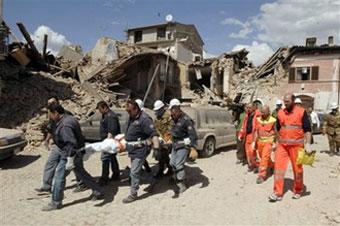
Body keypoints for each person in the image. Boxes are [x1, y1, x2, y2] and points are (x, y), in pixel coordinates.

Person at [42, 104, 104, 211]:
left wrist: (70, 160)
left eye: (50, 114)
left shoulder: (65, 125)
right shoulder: (69, 118)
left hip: (69, 154)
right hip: (75, 152)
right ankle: (98, 191)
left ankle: (55, 202)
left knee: (59, 177)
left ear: (56, 113)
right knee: (81, 173)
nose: (49, 117)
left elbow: (71, 143)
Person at [35, 97, 86, 193]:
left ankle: (82, 183)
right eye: (49, 103)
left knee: (74, 166)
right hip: (58, 145)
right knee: (50, 163)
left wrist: (73, 148)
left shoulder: (66, 115)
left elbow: (72, 131)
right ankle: (46, 186)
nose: (50, 104)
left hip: (68, 144)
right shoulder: (51, 115)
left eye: (53, 102)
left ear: (57, 103)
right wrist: (47, 140)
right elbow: (51, 129)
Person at [269, 93, 312, 202]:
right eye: (284, 101)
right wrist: (276, 142)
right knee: (278, 169)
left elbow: (307, 129)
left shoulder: (301, 112)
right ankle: (277, 192)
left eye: (287, 101)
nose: (285, 103)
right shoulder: (280, 113)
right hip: (282, 146)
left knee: (297, 169)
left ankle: (298, 189)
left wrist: (308, 144)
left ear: (293, 101)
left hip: (297, 146)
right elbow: (277, 128)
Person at [122, 99, 160, 203]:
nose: (128, 113)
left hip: (141, 149)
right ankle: (152, 181)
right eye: (127, 111)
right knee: (137, 170)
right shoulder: (132, 117)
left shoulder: (144, 119)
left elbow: (154, 134)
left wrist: (156, 148)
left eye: (129, 111)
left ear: (136, 109)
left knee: (134, 172)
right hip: (132, 149)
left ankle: (133, 194)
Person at [169, 99, 198, 194]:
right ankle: (175, 177)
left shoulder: (186, 120)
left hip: (183, 145)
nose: (172, 112)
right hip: (175, 144)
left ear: (178, 108)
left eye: (173, 110)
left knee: (179, 164)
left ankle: (182, 183)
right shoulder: (173, 118)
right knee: (172, 163)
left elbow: (193, 135)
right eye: (171, 110)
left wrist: (193, 148)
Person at [96, 101, 121, 185]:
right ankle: (116, 174)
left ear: (105, 107)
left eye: (100, 109)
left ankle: (104, 178)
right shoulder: (105, 115)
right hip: (107, 141)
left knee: (105, 159)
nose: (99, 111)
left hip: (109, 142)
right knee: (112, 158)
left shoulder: (111, 116)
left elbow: (111, 131)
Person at [252, 105, 276, 184]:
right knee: (263, 157)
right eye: (261, 112)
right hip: (260, 142)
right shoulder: (258, 119)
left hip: (269, 141)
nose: (262, 114)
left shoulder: (273, 120)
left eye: (264, 112)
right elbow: (256, 131)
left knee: (264, 158)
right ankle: (272, 165)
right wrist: (254, 142)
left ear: (268, 112)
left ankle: (261, 175)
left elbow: (277, 132)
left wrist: (275, 143)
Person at [238, 102, 261, 172]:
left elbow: (258, 128)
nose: (248, 109)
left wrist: (255, 139)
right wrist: (240, 134)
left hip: (254, 136)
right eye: (247, 107)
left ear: (254, 107)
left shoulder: (258, 116)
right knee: (248, 152)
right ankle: (251, 165)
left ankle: (257, 165)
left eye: (250, 108)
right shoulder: (246, 116)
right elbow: (243, 126)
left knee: (253, 152)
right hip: (247, 136)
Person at [153, 100, 173, 178]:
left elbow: (170, 129)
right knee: (161, 156)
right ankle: (161, 171)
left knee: (165, 156)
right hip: (160, 140)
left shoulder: (168, 117)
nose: (156, 112)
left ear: (162, 109)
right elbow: (154, 128)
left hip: (168, 141)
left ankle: (169, 170)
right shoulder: (157, 118)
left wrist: (165, 139)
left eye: (158, 110)